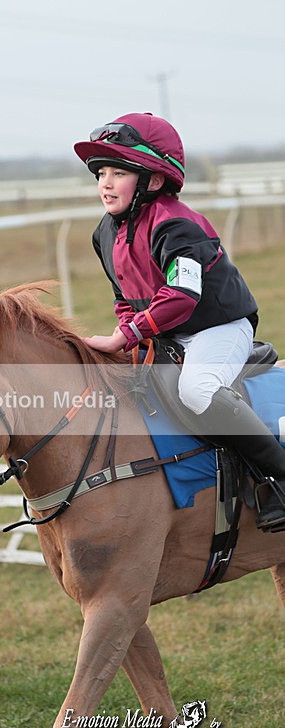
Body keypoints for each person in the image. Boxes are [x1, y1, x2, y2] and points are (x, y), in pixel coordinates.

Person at [74, 111, 285, 532]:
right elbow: (123, 298)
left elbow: (182, 297)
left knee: (197, 389)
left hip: (218, 328)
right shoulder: (105, 232)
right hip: (168, 332)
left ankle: (280, 476)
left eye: (119, 172)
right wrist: (131, 334)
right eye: (101, 172)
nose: (105, 183)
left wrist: (127, 335)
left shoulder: (176, 224)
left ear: (152, 181)